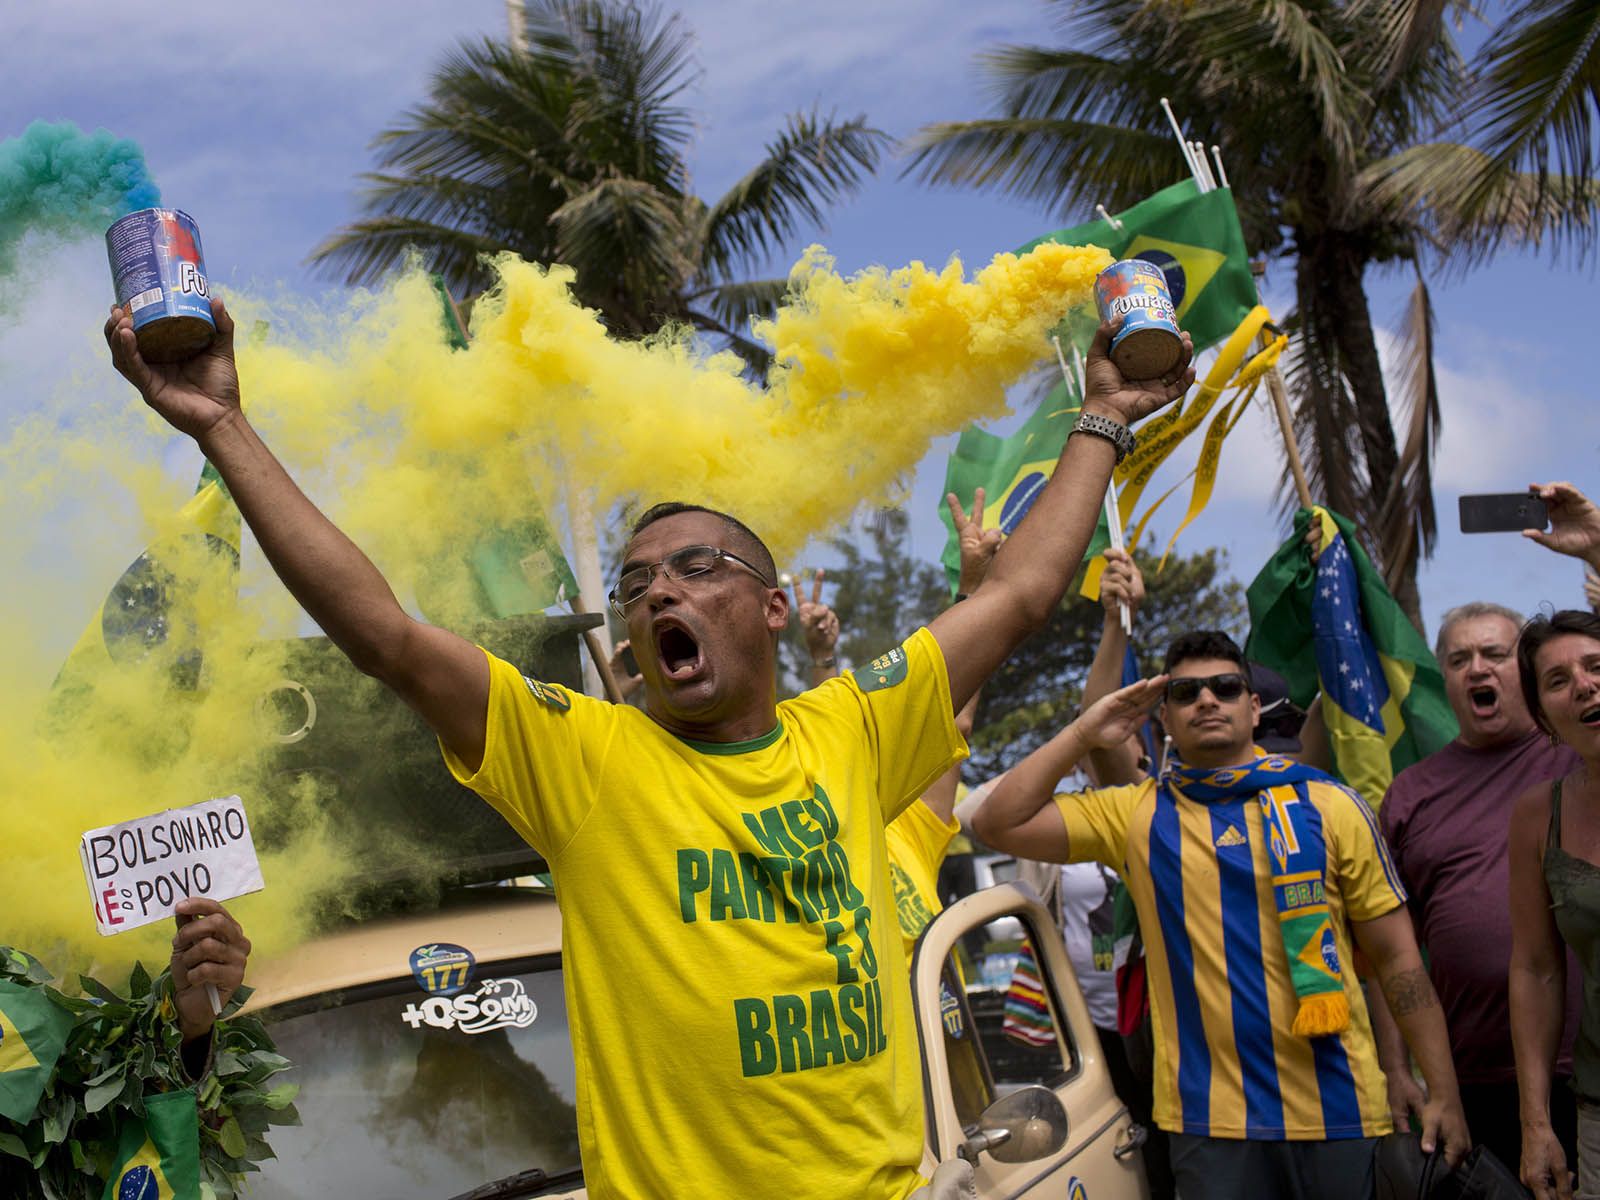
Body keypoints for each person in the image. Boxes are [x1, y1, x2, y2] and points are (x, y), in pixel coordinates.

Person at [104, 295, 1192, 1199]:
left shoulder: (854, 729)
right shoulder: (583, 758)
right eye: (633, 586)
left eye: (697, 567)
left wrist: (1101, 417)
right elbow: (384, 634)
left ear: (773, 609)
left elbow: (1029, 590)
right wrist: (221, 427)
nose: (657, 589)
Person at [972, 629, 1469, 1198]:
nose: (1207, 701)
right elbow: (996, 822)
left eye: (1226, 687)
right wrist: (1086, 730)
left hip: (1343, 1109)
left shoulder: (1332, 804)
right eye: (1186, 693)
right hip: (1210, 1125)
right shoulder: (1137, 815)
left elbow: (1396, 957)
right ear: (1164, 717)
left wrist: (1442, 1090)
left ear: (1254, 708)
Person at [1371, 600, 1582, 1176]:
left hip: (1583, 1066)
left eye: (1496, 654)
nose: (1478, 669)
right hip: (1468, 1080)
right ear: (1444, 679)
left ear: (1530, 673)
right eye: (1460, 658)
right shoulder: (1411, 793)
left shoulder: (1577, 760)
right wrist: (1398, 1070)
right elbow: (1391, 950)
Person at [1510, 609, 1600, 1200]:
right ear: (1544, 719)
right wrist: (1536, 1123)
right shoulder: (1538, 814)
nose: (1585, 684)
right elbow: (1537, 970)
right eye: (1558, 680)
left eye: (1597, 666)